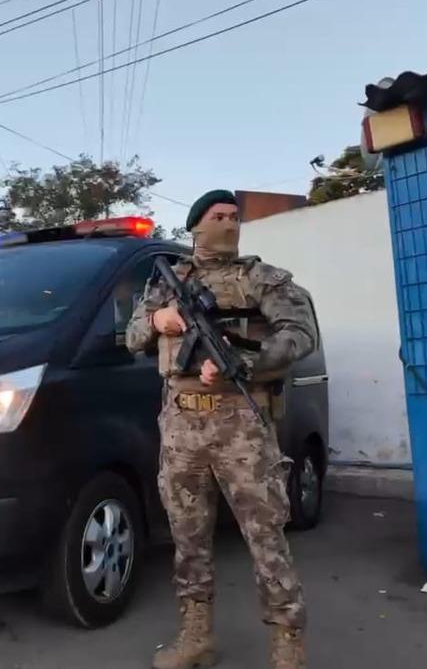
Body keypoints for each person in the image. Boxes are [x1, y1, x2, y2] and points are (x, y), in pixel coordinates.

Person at [126, 190, 317, 669]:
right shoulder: (166, 283)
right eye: (218, 216)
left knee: (266, 537)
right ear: (196, 225)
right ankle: (196, 638)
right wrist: (158, 319)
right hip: (181, 426)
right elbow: (131, 337)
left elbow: (300, 335)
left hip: (240, 425)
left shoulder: (261, 278)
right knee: (187, 537)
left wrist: (248, 363)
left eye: (234, 216)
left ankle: (288, 648)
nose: (229, 224)